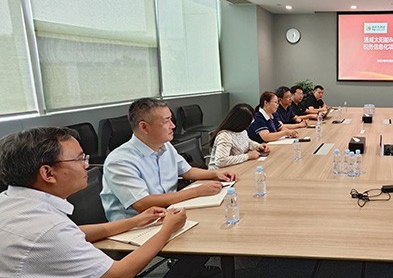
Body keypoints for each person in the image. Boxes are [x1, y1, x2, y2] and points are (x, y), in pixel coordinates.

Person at [0, 127, 188, 278]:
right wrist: (167, 229)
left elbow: (74, 232)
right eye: (79, 158)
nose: (86, 165)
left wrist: (135, 221)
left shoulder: (11, 201)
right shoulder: (49, 229)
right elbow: (119, 273)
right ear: (48, 173)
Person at [101, 98, 236, 222]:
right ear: (144, 127)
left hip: (169, 212)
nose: (173, 126)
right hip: (136, 226)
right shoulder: (119, 161)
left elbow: (187, 172)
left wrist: (215, 174)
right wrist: (197, 191)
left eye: (171, 119)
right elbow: (142, 203)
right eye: (166, 121)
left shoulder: (165, 146)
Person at [209, 103, 271, 169]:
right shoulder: (225, 136)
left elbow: (248, 142)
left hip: (236, 167)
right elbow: (221, 161)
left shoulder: (242, 131)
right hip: (220, 172)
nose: (249, 125)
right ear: (241, 122)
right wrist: (247, 156)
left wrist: (258, 146)